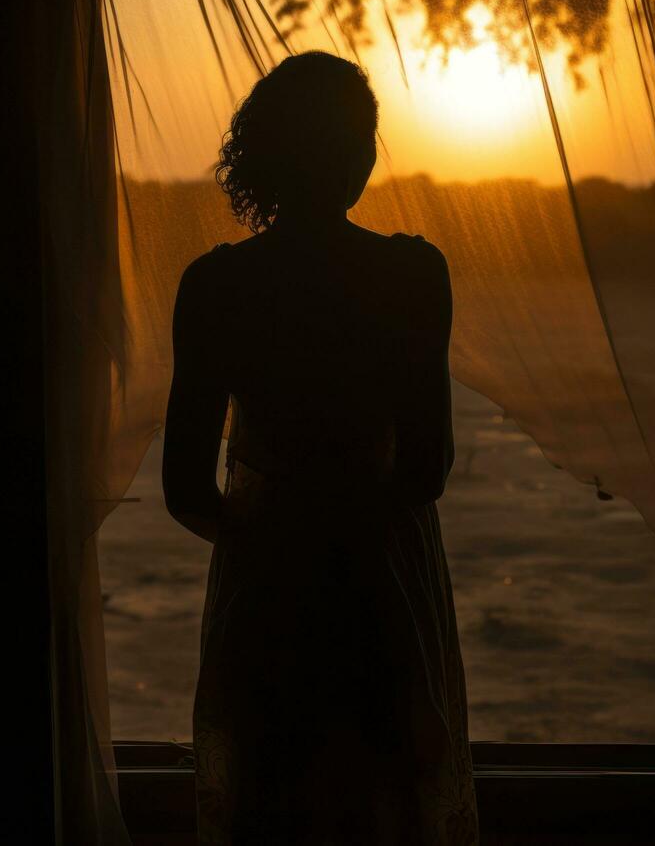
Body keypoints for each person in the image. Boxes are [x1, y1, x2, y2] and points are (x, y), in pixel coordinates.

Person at [162, 51, 479, 845]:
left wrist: (275, 537)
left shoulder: (216, 287)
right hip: (382, 584)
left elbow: (185, 488)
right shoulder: (412, 274)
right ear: (360, 155)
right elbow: (427, 469)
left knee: (269, 804)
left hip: (266, 591)